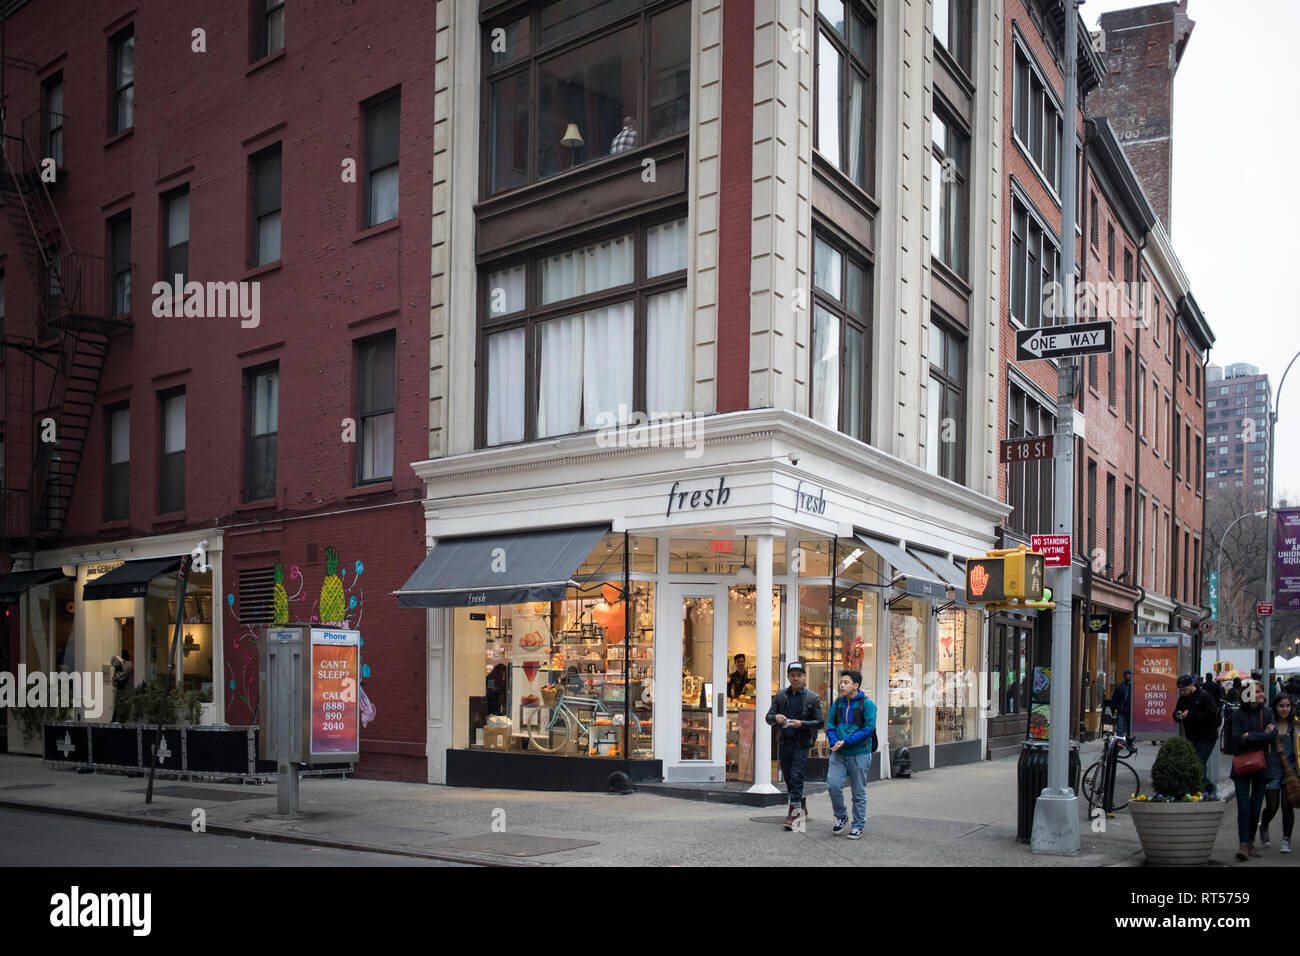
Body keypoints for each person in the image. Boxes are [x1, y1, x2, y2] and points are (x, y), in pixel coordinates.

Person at [765, 661, 823, 831]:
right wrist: (776, 717)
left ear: (804, 676)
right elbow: (768, 717)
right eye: (792, 675)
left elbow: (820, 722)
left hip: (801, 743)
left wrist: (802, 724)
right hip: (784, 742)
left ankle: (795, 813)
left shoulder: (812, 697)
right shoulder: (781, 695)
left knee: (796, 776)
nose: (796, 678)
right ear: (788, 677)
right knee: (789, 777)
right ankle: (800, 802)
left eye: (799, 675)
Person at [825, 669, 875, 840]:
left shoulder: (867, 704)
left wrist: (846, 741)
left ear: (856, 685)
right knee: (833, 785)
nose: (841, 685)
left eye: (846, 682)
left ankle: (858, 825)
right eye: (841, 682)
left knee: (858, 791)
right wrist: (834, 742)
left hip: (859, 753)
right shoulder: (838, 703)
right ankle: (841, 815)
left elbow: (868, 729)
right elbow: (830, 725)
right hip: (839, 752)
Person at [1230, 679, 1277, 861]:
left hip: (1261, 765)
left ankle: (1250, 842)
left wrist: (1249, 735)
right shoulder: (1238, 715)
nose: (1261, 695)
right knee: (1243, 806)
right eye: (1257, 692)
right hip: (1241, 765)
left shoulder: (1267, 712)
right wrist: (1260, 735)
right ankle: (1243, 844)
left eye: (1261, 691)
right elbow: (1237, 739)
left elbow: (1272, 736)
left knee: (1256, 806)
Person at [1173, 674, 1220, 798]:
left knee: (1199, 762)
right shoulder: (1183, 699)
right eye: (1180, 690)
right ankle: (1204, 789)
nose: (1182, 692)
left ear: (1191, 685)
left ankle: (1207, 789)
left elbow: (1212, 715)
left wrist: (1191, 714)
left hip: (1206, 736)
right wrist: (1177, 715)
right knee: (1193, 763)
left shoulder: (1204, 696)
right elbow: (1176, 713)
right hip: (1191, 737)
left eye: (1184, 690)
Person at [1262, 693, 1298, 853]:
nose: (1285, 709)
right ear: (1275, 707)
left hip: (1290, 771)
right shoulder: (1269, 726)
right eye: (1281, 706)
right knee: (1272, 806)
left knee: (1287, 805)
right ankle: (1264, 825)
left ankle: (1286, 839)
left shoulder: (1295, 726)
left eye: (1288, 706)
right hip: (1272, 771)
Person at [1111, 670, 1135, 755]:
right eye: (1127, 675)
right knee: (1120, 728)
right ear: (1124, 676)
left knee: (1129, 729)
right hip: (1122, 710)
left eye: (1129, 675)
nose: (1128, 676)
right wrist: (1113, 709)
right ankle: (1120, 743)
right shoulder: (1120, 687)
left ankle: (1129, 743)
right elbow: (1115, 698)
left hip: (1130, 711)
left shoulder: (1133, 687)